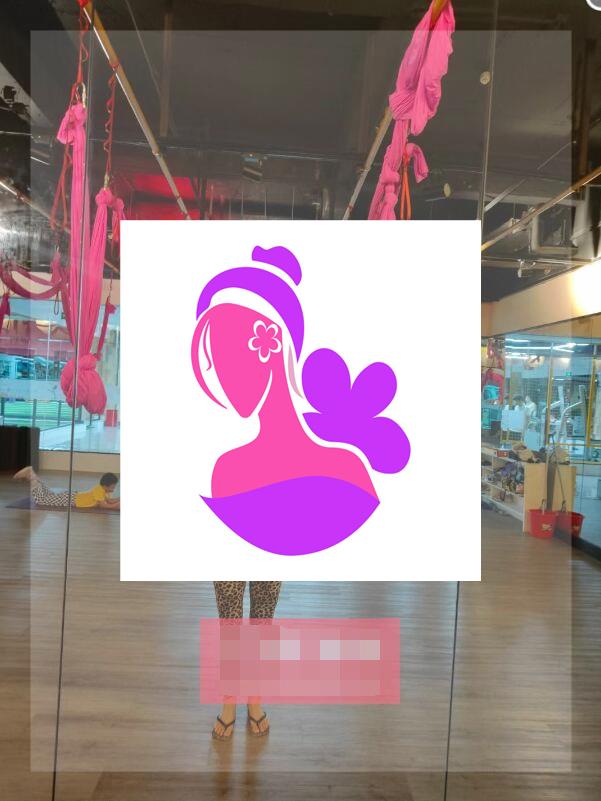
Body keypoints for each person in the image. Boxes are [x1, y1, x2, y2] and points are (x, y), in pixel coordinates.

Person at [13, 466, 120, 510]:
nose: (114, 489)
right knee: (41, 500)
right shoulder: (99, 490)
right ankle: (31, 475)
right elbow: (103, 505)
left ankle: (32, 475)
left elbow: (109, 501)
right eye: (113, 486)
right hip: (70, 499)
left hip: (71, 497)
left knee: (48, 495)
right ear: (106, 485)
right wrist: (116, 506)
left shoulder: (103, 491)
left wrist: (119, 500)